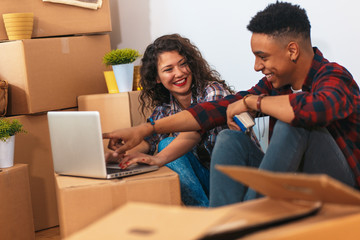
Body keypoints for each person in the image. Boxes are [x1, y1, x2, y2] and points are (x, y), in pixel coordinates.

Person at [103, 2, 360, 208]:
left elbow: (315, 108)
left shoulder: (334, 76)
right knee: (228, 139)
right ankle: (224, 227)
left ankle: (250, 225)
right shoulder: (274, 85)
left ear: (292, 51)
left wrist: (252, 101)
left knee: (294, 121)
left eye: (262, 57)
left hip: (343, 191)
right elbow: (213, 111)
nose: (257, 67)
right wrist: (144, 130)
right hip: (295, 187)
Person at [107, 34, 233, 207]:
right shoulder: (165, 110)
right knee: (161, 145)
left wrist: (158, 158)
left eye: (183, 64)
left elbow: (195, 129)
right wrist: (117, 155)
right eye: (169, 69)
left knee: (167, 145)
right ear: (157, 78)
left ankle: (208, 221)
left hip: (234, 181)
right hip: (208, 181)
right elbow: (147, 143)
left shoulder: (213, 92)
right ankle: (206, 217)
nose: (179, 73)